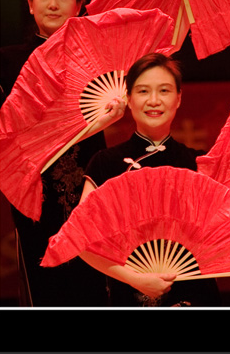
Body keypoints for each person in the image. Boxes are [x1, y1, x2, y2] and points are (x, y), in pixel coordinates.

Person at [0, 0, 124, 306]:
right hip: (34, 192)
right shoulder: (6, 63)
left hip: (89, 182)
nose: (53, 4)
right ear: (29, 2)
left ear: (81, 3)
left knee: (96, 281)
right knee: (45, 286)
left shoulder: (100, 57)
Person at [78, 52, 222, 307]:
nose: (154, 101)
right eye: (143, 91)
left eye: (164, 91)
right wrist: (136, 280)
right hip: (131, 295)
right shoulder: (105, 163)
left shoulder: (199, 163)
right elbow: (80, 240)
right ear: (129, 99)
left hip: (197, 297)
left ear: (178, 98)